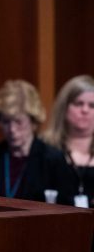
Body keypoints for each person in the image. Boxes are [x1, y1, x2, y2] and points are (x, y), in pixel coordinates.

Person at [0, 80, 74, 203]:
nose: (12, 129)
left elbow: (67, 208)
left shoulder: (52, 160)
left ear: (33, 121)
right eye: (6, 122)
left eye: (18, 122)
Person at [42, 75, 94, 207]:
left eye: (92, 105)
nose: (85, 110)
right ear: (64, 108)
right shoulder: (44, 148)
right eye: (78, 103)